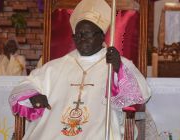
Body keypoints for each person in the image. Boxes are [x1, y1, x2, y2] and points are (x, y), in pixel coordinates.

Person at [9, 0, 151, 139]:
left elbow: (140, 94)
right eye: (78, 35)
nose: (82, 39)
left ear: (101, 36)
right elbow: (26, 85)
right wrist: (33, 96)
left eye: (87, 34)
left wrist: (118, 71)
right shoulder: (55, 67)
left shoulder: (116, 63)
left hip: (99, 131)